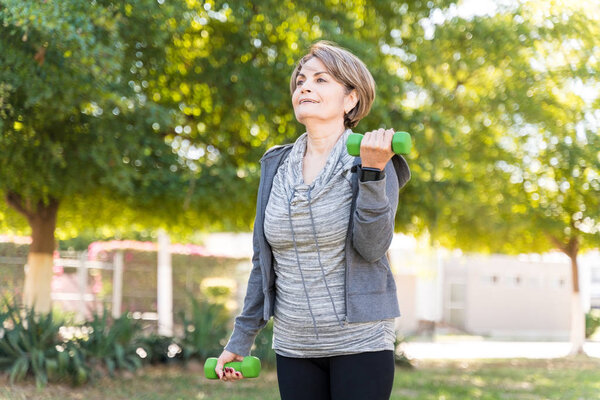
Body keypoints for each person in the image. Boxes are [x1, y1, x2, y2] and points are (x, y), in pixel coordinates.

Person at [214, 40, 410, 400]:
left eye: (321, 80)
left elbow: (372, 247)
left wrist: (371, 173)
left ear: (351, 99)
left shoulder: (375, 157)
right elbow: (264, 261)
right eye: (301, 80)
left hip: (360, 340)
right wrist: (241, 339)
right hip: (295, 345)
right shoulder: (275, 164)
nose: (304, 86)